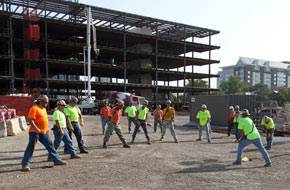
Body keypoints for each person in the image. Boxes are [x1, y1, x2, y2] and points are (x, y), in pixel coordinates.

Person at [21, 95, 67, 172]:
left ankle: (57, 160)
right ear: (40, 101)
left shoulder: (43, 109)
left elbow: (44, 120)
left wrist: (46, 129)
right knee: (30, 148)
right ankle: (25, 164)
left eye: (47, 102)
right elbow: (30, 119)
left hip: (44, 132)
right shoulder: (34, 108)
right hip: (34, 132)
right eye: (45, 102)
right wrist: (36, 128)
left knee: (50, 146)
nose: (46, 103)